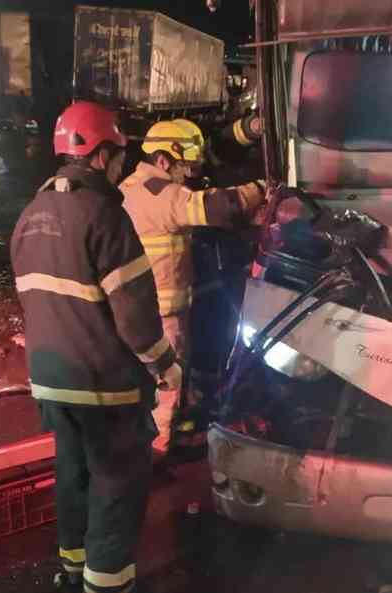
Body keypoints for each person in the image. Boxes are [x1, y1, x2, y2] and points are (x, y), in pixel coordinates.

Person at [11, 101, 182, 592]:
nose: (123, 163)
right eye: (119, 153)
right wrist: (164, 365)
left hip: (49, 381)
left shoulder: (31, 214)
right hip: (103, 386)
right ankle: (106, 586)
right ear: (101, 153)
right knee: (117, 486)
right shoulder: (104, 215)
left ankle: (72, 568)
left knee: (73, 473)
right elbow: (134, 314)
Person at [119, 118, 266, 456]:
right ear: (162, 160)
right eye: (183, 167)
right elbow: (211, 207)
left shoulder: (132, 186)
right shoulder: (159, 192)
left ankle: (157, 438)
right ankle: (156, 455)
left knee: (156, 377)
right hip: (161, 309)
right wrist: (261, 189)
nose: (189, 176)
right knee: (166, 379)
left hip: (145, 303)